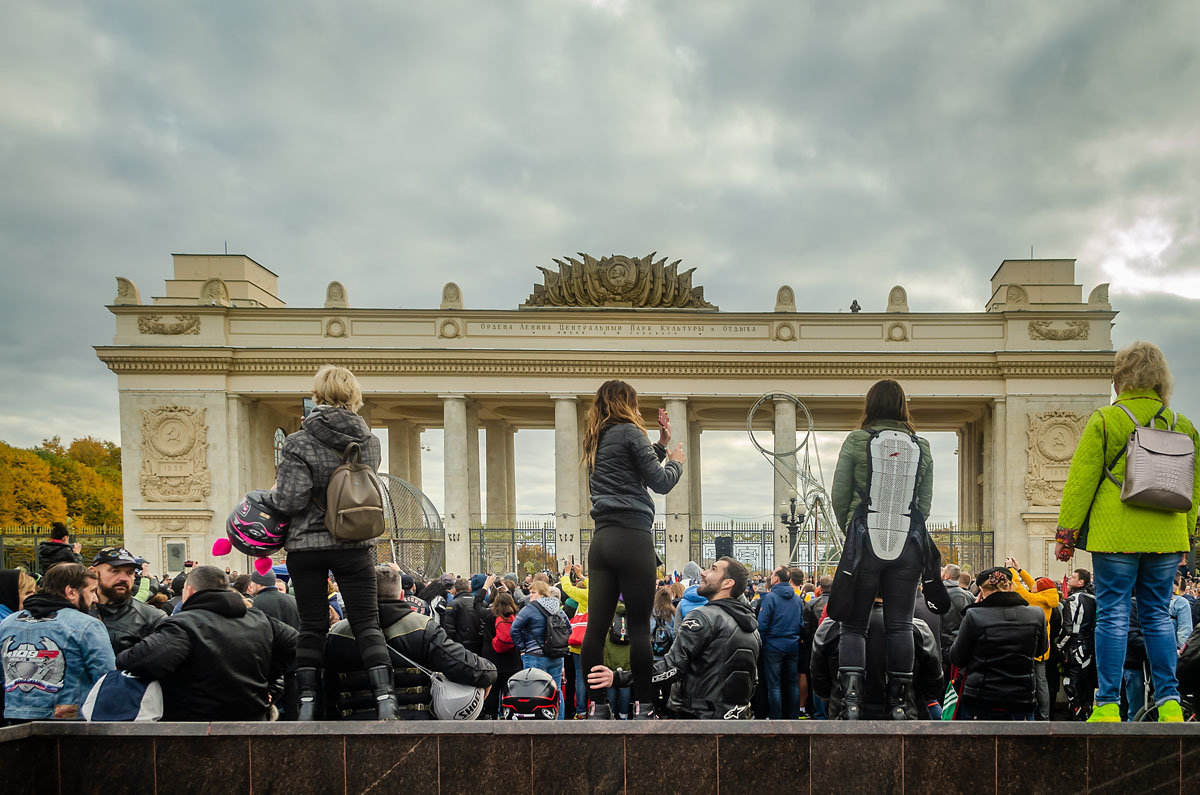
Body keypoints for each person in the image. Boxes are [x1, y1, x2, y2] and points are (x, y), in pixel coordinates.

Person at [1055, 341, 1200, 723]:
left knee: (1114, 616)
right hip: (1166, 535)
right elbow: (1193, 489)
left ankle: (1107, 705)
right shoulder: (1184, 425)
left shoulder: (1106, 420)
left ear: (1121, 378)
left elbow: (1081, 481)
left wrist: (1066, 535)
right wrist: (1184, 536)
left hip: (1115, 532)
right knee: (1157, 616)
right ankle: (1170, 702)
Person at [260, 365, 397, 720]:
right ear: (354, 396)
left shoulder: (297, 442)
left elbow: (292, 501)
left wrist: (272, 496)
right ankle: (386, 702)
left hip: (306, 547)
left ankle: (307, 706)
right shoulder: (369, 442)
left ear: (317, 394)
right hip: (354, 544)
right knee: (367, 623)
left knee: (311, 626)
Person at [827, 379, 947, 720]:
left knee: (854, 625)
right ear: (902, 406)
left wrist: (851, 531)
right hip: (908, 543)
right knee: (900, 624)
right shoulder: (922, 445)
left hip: (865, 540)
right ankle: (898, 704)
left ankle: (851, 704)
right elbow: (924, 504)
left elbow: (839, 494)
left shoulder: (857, 440)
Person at [579, 379, 685, 720]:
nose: (639, 411)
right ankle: (644, 706)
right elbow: (660, 481)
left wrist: (659, 444)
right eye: (636, 404)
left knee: (595, 629)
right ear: (626, 403)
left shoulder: (597, 439)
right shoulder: (629, 430)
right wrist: (676, 459)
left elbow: (629, 471)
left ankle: (598, 706)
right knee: (640, 627)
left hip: (602, 541)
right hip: (633, 537)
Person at [587, 557, 760, 720]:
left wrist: (619, 678)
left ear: (728, 583)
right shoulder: (752, 627)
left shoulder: (701, 617)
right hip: (737, 719)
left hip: (699, 721)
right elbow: (753, 681)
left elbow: (671, 669)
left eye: (713, 569)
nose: (703, 573)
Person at [116, 566, 296, 721]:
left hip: (196, 727)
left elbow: (136, 661)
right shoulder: (260, 618)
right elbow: (295, 643)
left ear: (190, 591)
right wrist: (266, 678)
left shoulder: (183, 625)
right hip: (253, 721)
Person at [325, 565, 495, 720]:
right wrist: (488, 673)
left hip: (351, 728)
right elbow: (468, 667)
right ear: (401, 595)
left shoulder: (338, 633)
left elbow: (325, 686)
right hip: (414, 724)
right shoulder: (423, 627)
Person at [1, 563, 113, 721]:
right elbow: (106, 679)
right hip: (69, 724)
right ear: (71, 592)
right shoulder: (87, 625)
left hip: (15, 720)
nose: (95, 598)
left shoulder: (8, 623)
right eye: (92, 591)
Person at [811, 595, 943, 720]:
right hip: (902, 717)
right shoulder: (917, 628)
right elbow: (933, 685)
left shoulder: (830, 627)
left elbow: (820, 684)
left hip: (844, 716)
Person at [950, 568, 1047, 721]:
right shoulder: (1036, 614)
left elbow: (957, 657)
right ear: (1010, 586)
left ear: (981, 590)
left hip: (981, 698)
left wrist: (974, 609)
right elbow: (1041, 650)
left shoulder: (974, 615)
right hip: (1021, 698)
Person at [1005, 556, 1060, 721]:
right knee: (1040, 681)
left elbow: (1020, 589)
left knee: (1039, 684)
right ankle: (1042, 715)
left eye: (1036, 585)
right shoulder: (1046, 597)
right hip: (1042, 646)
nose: (1032, 585)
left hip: (1035, 647)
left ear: (1041, 589)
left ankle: (1042, 715)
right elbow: (1030, 585)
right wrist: (1020, 569)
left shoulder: (1037, 600)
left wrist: (1011, 570)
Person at [88, 546, 165, 654]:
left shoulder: (152, 618)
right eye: (115, 571)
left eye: (129, 573)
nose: (124, 578)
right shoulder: (76, 612)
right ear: (94, 573)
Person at [510, 579, 568, 719]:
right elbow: (568, 629)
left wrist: (523, 647)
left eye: (533, 592)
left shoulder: (530, 608)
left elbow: (514, 629)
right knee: (556, 690)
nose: (530, 595)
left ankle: (539, 721)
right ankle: (559, 721)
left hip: (535, 656)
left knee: (534, 691)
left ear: (542, 594)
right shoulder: (557, 608)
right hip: (556, 656)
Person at [757, 566, 804, 719]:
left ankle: (776, 719)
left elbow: (762, 625)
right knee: (792, 684)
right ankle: (793, 716)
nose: (770, 577)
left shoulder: (770, 598)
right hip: (793, 645)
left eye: (772, 574)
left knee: (774, 686)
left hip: (773, 646)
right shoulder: (797, 599)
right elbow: (801, 623)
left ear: (776, 579)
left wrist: (762, 643)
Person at [1058, 568, 1097, 719]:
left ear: (1081, 582)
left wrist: (1059, 645)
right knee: (1086, 683)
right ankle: (1086, 711)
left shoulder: (1073, 600)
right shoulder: (1093, 599)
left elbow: (1069, 630)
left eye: (1073, 577)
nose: (1069, 579)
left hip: (1074, 647)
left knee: (1071, 683)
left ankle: (1076, 715)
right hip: (1089, 646)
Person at [481, 591, 522, 718]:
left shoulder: (489, 617)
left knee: (492, 692)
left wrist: (484, 588)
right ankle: (509, 716)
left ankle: (491, 716)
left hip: (492, 662)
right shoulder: (516, 616)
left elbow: (477, 605)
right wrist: (509, 592)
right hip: (512, 661)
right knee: (510, 692)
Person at [560, 564, 590, 717]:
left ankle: (581, 710)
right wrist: (581, 575)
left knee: (580, 676)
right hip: (596, 641)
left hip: (579, 643)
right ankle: (596, 706)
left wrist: (566, 574)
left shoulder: (585, 597)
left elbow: (567, 588)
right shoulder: (599, 593)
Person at [938, 564, 973, 685]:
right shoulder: (968, 595)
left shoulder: (938, 594)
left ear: (947, 576)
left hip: (942, 643)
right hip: (961, 642)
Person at [443, 576, 490, 655]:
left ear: (455, 590)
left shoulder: (453, 604)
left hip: (459, 646)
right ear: (469, 589)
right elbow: (484, 624)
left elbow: (449, 629)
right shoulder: (482, 603)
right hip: (479, 645)